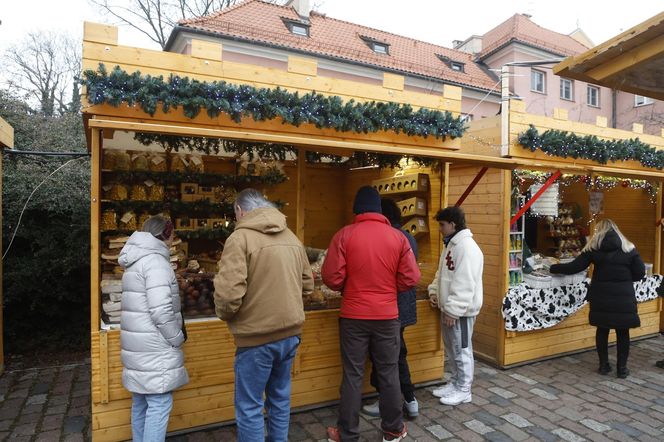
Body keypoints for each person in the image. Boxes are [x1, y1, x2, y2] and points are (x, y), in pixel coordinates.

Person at [213, 188, 313, 442]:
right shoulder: (291, 236)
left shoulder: (240, 239)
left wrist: (228, 316)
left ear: (240, 210)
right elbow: (308, 285)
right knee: (280, 399)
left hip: (255, 339)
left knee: (249, 406)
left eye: (235, 214)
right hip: (290, 334)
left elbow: (227, 296)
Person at [323, 186, 420, 442]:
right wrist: (389, 289)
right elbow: (411, 278)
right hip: (387, 316)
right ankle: (393, 430)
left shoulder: (344, 235)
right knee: (389, 374)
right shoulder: (398, 237)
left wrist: (348, 286)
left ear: (357, 209)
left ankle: (347, 434)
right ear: (379, 210)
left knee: (353, 375)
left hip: (353, 316)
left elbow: (331, 277)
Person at [119, 215, 189, 442]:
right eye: (173, 234)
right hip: (155, 347)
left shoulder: (135, 259)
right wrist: (176, 337)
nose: (173, 239)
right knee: (159, 403)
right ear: (166, 234)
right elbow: (160, 311)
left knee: (140, 401)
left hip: (138, 346)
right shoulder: (157, 262)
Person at [549, 218, 645, 379]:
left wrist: (552, 268)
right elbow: (640, 273)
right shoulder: (629, 248)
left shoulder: (594, 248)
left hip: (601, 296)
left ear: (599, 232)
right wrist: (625, 281)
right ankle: (622, 369)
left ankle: (603, 366)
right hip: (624, 297)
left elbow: (574, 267)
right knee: (623, 333)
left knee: (602, 329)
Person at [362, 198, 419, 419]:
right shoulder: (408, 237)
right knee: (397, 353)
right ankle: (409, 399)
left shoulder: (389, 236)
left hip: (389, 307)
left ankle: (392, 400)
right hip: (403, 306)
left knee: (387, 356)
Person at [428, 206, 483, 406]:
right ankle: (455, 382)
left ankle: (464, 389)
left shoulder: (467, 248)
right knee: (452, 349)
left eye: (442, 225)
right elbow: (442, 274)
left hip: (462, 313)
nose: (440, 229)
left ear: (453, 224)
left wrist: (453, 309)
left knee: (462, 350)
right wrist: (434, 291)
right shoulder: (451, 245)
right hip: (451, 310)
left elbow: (465, 282)